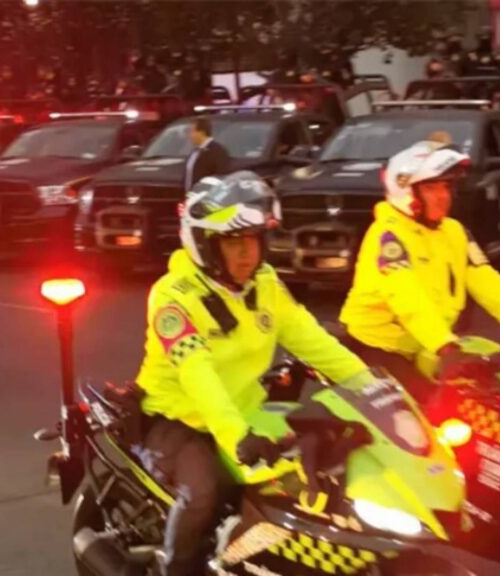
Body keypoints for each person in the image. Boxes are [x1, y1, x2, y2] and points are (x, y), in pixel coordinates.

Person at [136, 171, 373, 576]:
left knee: (322, 468)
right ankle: (175, 569)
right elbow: (199, 376)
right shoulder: (173, 297)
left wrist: (373, 389)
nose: (247, 254)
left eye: (253, 240)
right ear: (207, 246)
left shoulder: (264, 283)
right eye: (233, 242)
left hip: (246, 409)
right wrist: (237, 436)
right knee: (203, 491)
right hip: (179, 417)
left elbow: (315, 343)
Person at [339, 139, 500, 404]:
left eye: (446, 186)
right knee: (425, 417)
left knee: (490, 394)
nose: (444, 195)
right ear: (406, 191)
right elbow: (407, 298)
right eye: (431, 187)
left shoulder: (454, 231)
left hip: (429, 344)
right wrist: (444, 345)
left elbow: (486, 280)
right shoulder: (388, 237)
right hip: (380, 345)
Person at [182, 117, 230, 193]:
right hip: (191, 198)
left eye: (191, 131)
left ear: (201, 132)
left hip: (206, 198)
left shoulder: (217, 152)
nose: (189, 135)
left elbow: (220, 177)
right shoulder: (195, 152)